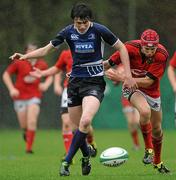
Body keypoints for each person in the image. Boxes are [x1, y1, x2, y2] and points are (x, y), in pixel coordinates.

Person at [10, 3, 136, 176]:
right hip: (74, 83)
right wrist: (24, 57)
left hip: (94, 82)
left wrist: (128, 75)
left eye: (84, 22)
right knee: (76, 127)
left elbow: (122, 47)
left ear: (89, 20)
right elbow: (46, 50)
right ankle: (86, 156)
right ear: (73, 21)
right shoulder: (67, 32)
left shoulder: (99, 30)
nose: (82, 26)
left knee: (85, 122)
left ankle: (66, 161)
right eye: (78, 23)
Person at [104, 29, 170, 174]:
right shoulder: (128, 48)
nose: (150, 51)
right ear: (141, 45)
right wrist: (82, 72)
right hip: (132, 89)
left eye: (153, 48)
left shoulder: (161, 54)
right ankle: (148, 149)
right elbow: (107, 64)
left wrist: (122, 78)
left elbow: (148, 81)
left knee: (158, 130)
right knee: (144, 111)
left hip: (151, 91)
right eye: (147, 48)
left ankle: (158, 163)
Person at [3, 43, 53, 154]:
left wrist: (46, 85)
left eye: (35, 50)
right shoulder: (19, 63)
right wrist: (11, 89)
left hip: (34, 96)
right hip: (19, 97)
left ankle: (28, 148)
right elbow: (6, 75)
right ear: (25, 52)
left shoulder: (42, 64)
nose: (32, 52)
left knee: (32, 121)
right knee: (24, 125)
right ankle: (26, 132)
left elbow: (50, 75)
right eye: (30, 50)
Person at [54, 49, 97, 159]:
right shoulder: (65, 53)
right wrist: (56, 84)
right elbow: (57, 69)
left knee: (83, 123)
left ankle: (91, 142)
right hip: (68, 90)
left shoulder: (89, 48)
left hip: (85, 89)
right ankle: (69, 154)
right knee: (67, 123)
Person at [107, 65, 140, 150]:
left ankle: (149, 144)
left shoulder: (137, 62)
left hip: (139, 95)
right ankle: (136, 144)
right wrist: (115, 76)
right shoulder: (121, 66)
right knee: (130, 122)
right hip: (127, 97)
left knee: (138, 121)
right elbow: (115, 83)